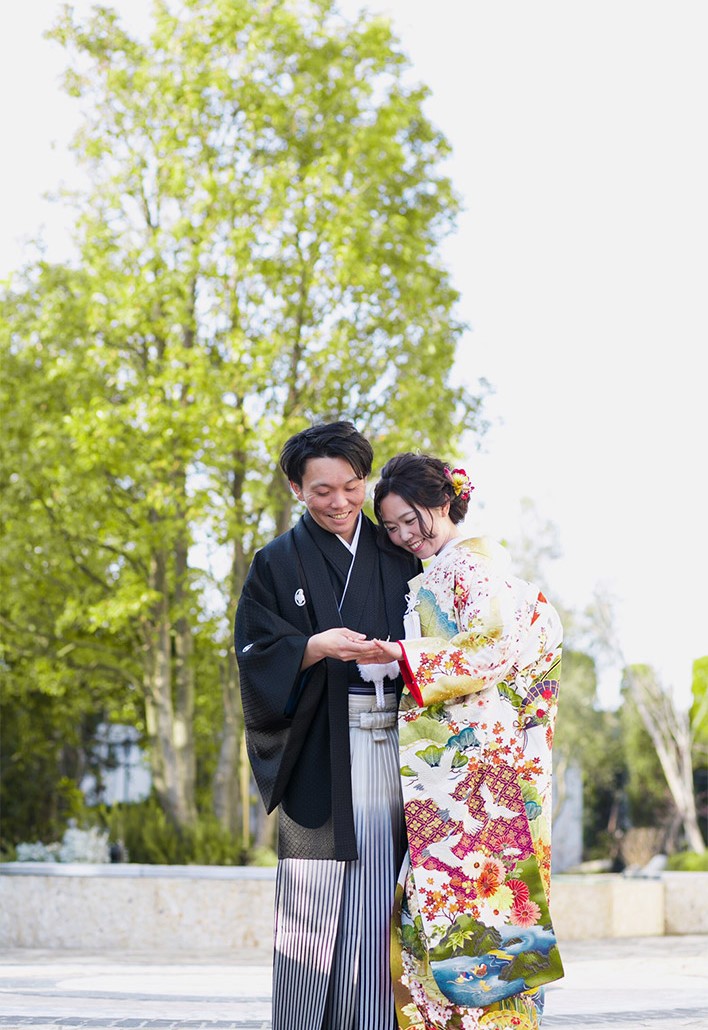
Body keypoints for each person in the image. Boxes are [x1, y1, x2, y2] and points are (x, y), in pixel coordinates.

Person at [363, 452, 564, 1030]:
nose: (404, 536)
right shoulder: (461, 570)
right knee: (470, 912)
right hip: (482, 762)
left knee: (469, 913)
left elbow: (495, 645)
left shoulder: (469, 571)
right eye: (393, 527)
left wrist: (403, 654)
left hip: (479, 768)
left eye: (412, 519)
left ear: (445, 501)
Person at [234, 421, 421, 1030]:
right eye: (321, 491)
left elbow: (447, 641)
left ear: (365, 481)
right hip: (321, 745)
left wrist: (400, 654)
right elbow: (255, 652)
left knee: (380, 896)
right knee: (310, 913)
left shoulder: (398, 553)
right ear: (295, 490)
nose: (339, 502)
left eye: (351, 485)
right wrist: (312, 645)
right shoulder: (275, 563)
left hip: (399, 743)